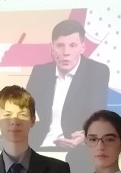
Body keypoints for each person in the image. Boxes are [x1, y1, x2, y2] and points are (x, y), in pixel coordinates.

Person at [25, 20, 110, 151]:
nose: (66, 52)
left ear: (82, 47)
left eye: (72, 45)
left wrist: (85, 135)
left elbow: (98, 114)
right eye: (60, 45)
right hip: (41, 146)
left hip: (77, 149)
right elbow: (23, 108)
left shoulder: (96, 71)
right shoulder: (40, 72)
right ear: (52, 47)